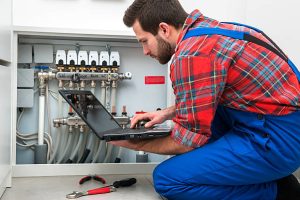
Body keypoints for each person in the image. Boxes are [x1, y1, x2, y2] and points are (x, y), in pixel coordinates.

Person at [110, 0, 300, 199]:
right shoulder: (212, 30)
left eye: (144, 41)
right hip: (282, 126)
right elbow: (208, 94)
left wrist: (133, 143)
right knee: (205, 124)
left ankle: (278, 191)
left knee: (167, 179)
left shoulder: (191, 54)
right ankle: (263, 175)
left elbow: (186, 143)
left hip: (279, 142)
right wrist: (165, 113)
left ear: (164, 29)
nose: (145, 51)